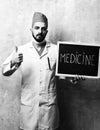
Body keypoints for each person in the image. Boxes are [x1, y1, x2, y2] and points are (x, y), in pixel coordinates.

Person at [1, 12, 59, 130]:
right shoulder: (21, 50)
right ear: (31, 29)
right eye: (37, 28)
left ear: (46, 31)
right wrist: (12, 61)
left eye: (43, 29)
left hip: (49, 109)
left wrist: (74, 78)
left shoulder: (55, 50)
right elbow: (4, 71)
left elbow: (64, 74)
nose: (40, 31)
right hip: (29, 108)